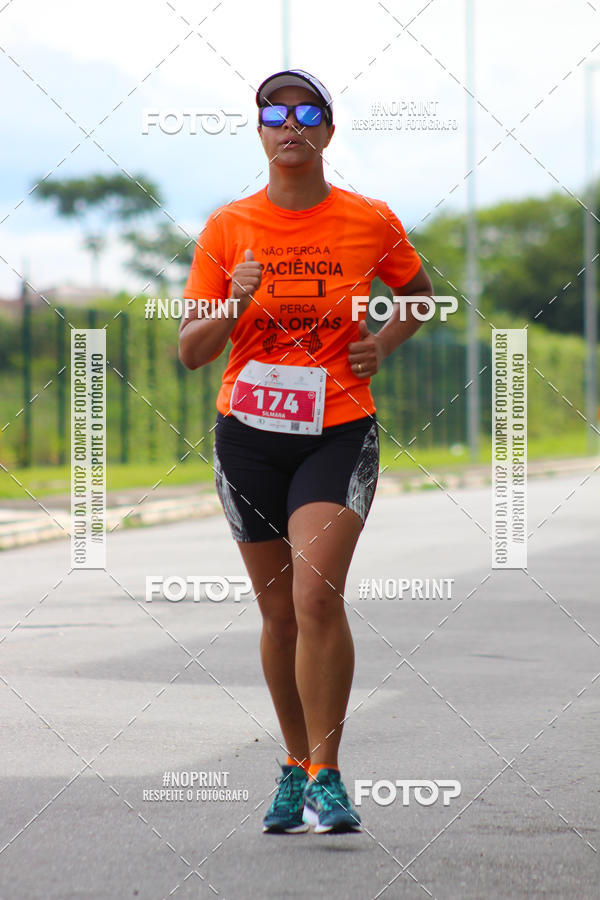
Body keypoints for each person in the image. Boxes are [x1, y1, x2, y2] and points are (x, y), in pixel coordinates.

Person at [179, 69, 433, 834]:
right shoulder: (228, 229)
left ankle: (327, 774)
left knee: (316, 595)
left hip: (337, 428)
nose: (289, 123)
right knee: (278, 614)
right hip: (248, 439)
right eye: (273, 113)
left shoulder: (368, 219)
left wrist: (382, 344)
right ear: (259, 132)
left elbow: (419, 296)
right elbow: (191, 350)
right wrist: (237, 302)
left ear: (327, 130)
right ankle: (294, 765)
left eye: (307, 111)